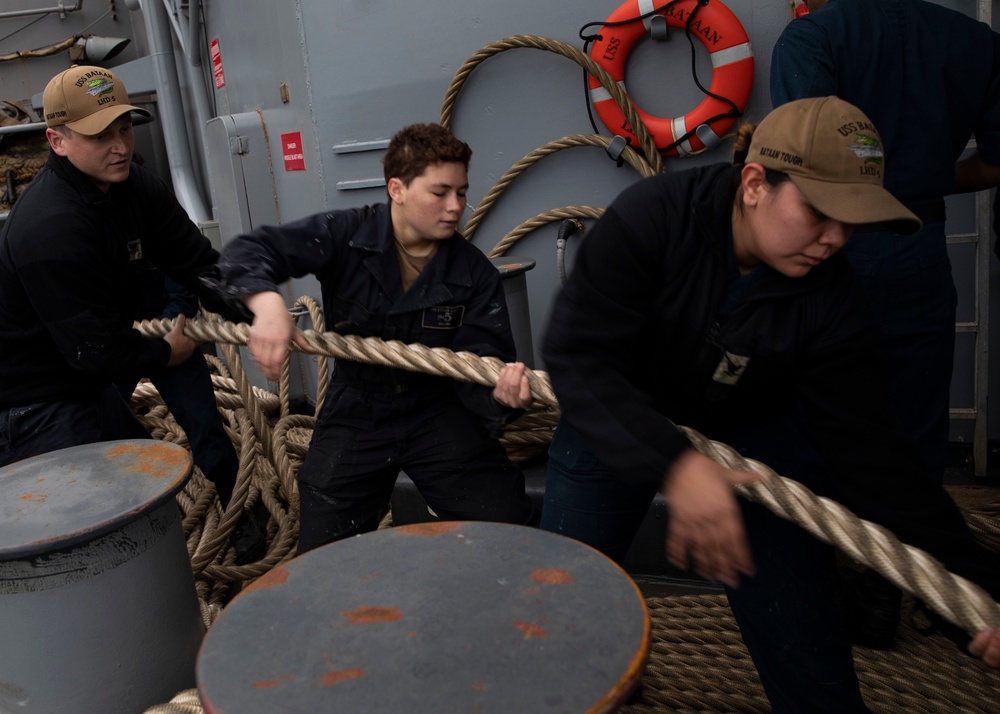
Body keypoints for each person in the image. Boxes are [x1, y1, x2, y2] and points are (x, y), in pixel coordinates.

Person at [539, 96, 1000, 713]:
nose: (836, 240)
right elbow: (578, 356)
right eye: (819, 212)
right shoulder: (652, 219)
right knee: (561, 613)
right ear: (755, 184)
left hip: (753, 433)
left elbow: (875, 458)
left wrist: (976, 593)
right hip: (617, 414)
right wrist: (679, 464)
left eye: (851, 222)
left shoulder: (832, 302)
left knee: (806, 643)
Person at [215, 122, 535, 553]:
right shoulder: (347, 234)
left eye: (461, 192)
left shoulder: (474, 273)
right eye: (440, 193)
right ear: (397, 189)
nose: (456, 206)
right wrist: (267, 305)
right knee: (323, 535)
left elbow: (484, 359)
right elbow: (251, 251)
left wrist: (501, 395)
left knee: (505, 521)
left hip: (437, 408)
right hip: (358, 407)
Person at [0, 64, 263, 562]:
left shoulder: (134, 185)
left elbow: (197, 262)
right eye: (100, 135)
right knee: (85, 542)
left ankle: (234, 520)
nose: (119, 145)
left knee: (144, 489)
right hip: (35, 406)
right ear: (57, 140)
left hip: (95, 370)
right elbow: (95, 351)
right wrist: (166, 352)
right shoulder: (49, 228)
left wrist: (259, 313)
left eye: (124, 128)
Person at [770, 0, 1000, 485]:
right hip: (921, 247)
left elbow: (798, 165)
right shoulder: (977, 41)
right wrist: (923, 181)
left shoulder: (812, 38)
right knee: (915, 431)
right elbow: (996, 164)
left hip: (831, 250)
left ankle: (818, 556)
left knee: (813, 424)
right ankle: (906, 555)